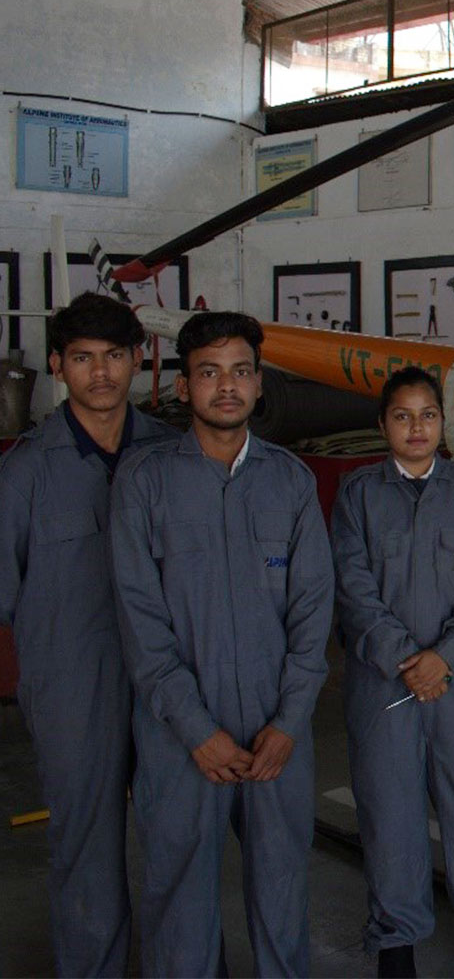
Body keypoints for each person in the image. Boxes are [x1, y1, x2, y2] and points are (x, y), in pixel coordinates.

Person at [109, 310, 334, 977]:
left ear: (259, 385)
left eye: (240, 372)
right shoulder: (144, 483)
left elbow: (313, 612)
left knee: (282, 888)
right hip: (180, 739)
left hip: (276, 735)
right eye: (209, 373)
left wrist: (289, 723)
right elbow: (140, 623)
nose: (226, 387)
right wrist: (194, 729)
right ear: (185, 388)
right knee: (179, 898)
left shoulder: (291, 482)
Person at [0, 293, 175, 976]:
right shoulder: (24, 473)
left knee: (177, 836)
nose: (99, 373)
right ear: (56, 365)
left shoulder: (171, 456)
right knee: (86, 844)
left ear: (138, 360)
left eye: (113, 356)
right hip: (74, 684)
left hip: (169, 679)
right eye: (82, 358)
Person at [333, 367, 454, 979]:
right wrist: (404, 658)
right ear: (383, 424)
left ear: (442, 423)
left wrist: (447, 654)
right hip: (383, 680)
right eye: (402, 416)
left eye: (428, 415)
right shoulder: (358, 494)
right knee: (389, 809)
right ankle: (395, 938)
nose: (416, 428)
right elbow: (352, 585)